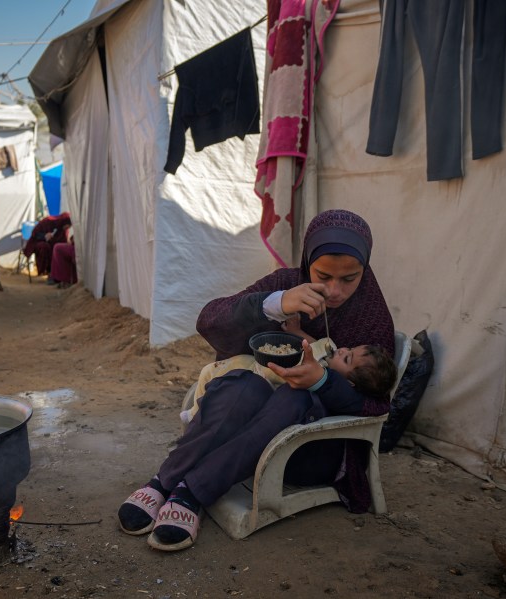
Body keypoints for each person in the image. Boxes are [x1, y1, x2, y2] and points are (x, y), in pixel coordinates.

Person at [118, 209, 395, 551]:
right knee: (243, 384)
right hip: (248, 425)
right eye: (323, 275)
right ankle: (165, 481)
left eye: (350, 278)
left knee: (296, 396)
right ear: (307, 261)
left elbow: (378, 406)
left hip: (307, 450)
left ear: (364, 270)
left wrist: (322, 381)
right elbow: (209, 320)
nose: (334, 291)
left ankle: (191, 491)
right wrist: (276, 303)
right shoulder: (285, 283)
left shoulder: (373, 319)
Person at [180, 342, 397, 425]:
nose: (342, 350)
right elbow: (309, 346)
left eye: (347, 358)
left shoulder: (326, 387)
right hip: (260, 377)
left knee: (217, 374)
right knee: (209, 371)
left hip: (263, 393)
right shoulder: (325, 365)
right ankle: (196, 411)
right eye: (349, 349)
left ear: (349, 384)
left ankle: (197, 414)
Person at [23, 212, 71, 278]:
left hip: (52, 244)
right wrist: (44, 236)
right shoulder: (47, 221)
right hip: (38, 241)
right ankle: (46, 271)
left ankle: (56, 273)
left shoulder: (62, 228)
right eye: (67, 226)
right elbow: (35, 234)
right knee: (44, 247)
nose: (67, 228)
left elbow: (63, 240)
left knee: (58, 248)